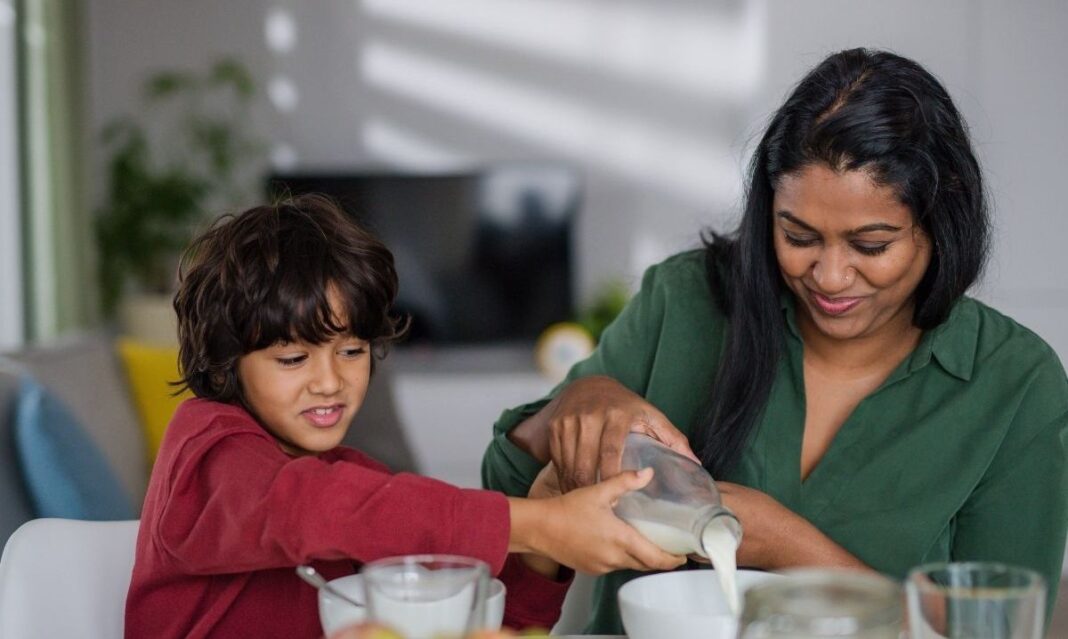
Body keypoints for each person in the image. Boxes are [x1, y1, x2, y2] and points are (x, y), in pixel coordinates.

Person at [482, 48, 1068, 634]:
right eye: (799, 235)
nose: (830, 277)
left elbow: (997, 626)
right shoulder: (687, 301)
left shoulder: (1015, 384)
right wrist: (578, 401)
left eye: (871, 245)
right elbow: (507, 495)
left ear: (942, 222)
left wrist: (785, 544)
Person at [124, 195, 684, 638]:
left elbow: (470, 624)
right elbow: (309, 508)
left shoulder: (358, 482)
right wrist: (541, 526)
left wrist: (545, 526)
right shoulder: (205, 450)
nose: (330, 380)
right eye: (293, 358)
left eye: (352, 351)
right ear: (228, 363)